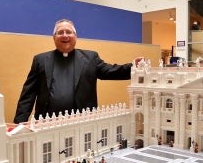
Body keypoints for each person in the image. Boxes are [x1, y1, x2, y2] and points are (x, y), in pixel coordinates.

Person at [13, 19, 141, 123]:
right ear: (54, 37)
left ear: (75, 36)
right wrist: (19, 124)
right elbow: (28, 94)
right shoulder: (40, 60)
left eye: (68, 32)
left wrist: (134, 67)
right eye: (60, 32)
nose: (64, 35)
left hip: (82, 121)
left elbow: (110, 71)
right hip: (46, 121)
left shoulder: (90, 58)